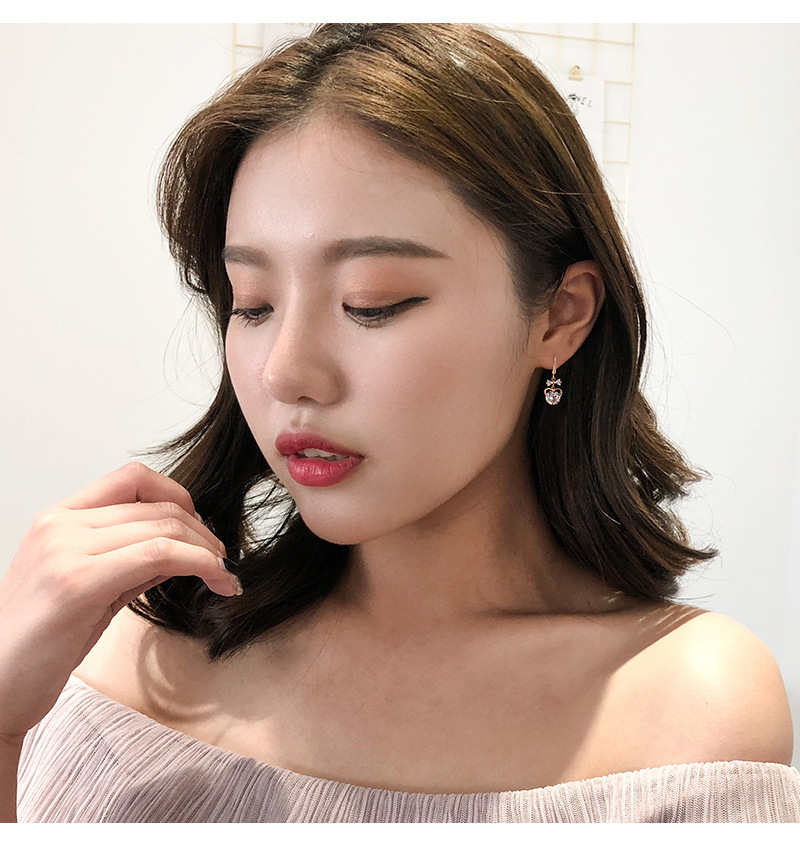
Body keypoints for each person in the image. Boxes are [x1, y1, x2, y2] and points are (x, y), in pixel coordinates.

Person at [3, 22, 799, 823]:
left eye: (372, 303)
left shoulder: (685, 704)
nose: (285, 370)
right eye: (254, 304)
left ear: (560, 315)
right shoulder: (138, 648)